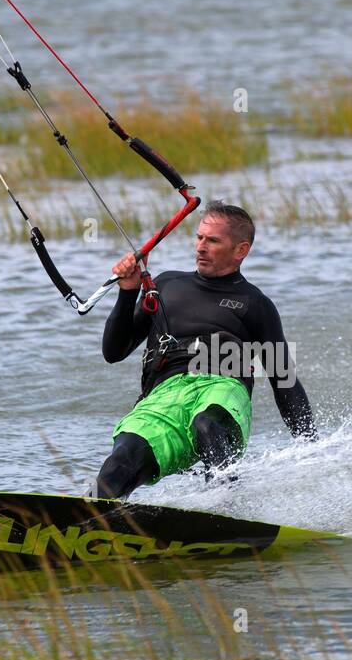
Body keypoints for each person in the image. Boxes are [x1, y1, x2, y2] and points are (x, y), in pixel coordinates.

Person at [93, 201, 315, 499]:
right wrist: (128, 292)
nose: (200, 247)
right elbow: (114, 351)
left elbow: (284, 381)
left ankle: (227, 509)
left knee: (206, 424)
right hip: (165, 395)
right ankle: (90, 522)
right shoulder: (166, 284)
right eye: (199, 238)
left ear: (240, 250)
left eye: (212, 241)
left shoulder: (255, 305)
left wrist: (311, 448)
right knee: (123, 457)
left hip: (223, 387)